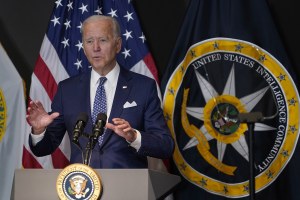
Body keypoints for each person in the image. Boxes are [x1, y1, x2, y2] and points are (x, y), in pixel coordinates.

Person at [27, 15, 174, 168]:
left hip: (128, 187)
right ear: (83, 48)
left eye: (103, 40)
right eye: (89, 41)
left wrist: (134, 137)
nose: (96, 47)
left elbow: (165, 146)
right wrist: (38, 130)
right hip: (81, 186)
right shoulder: (67, 90)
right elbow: (43, 148)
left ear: (117, 45)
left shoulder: (143, 87)